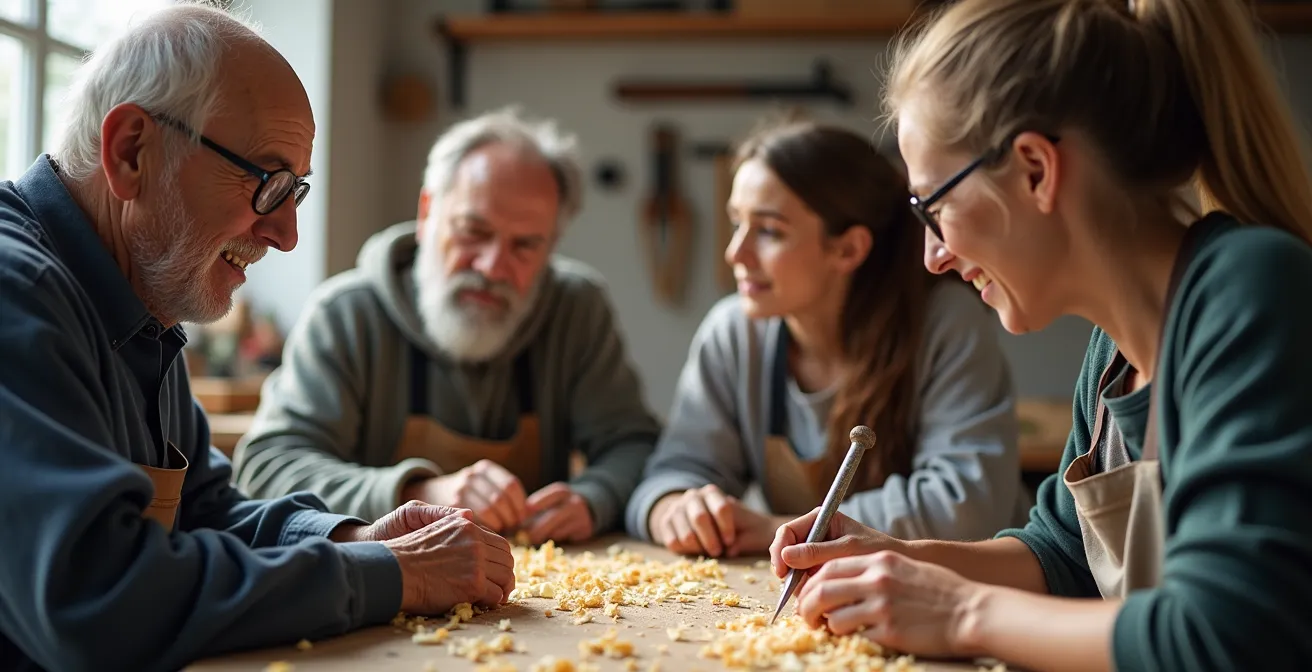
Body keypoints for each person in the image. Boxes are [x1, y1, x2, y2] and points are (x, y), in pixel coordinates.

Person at [769, 0, 1312, 669]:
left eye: (932, 208)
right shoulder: (1114, 353)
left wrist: (961, 611)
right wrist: (899, 560)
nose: (931, 256)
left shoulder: (1250, 290)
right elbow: (1062, 555)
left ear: (1034, 170)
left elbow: (1227, 633)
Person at [0, 6, 517, 671]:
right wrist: (398, 577)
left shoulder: (138, 300)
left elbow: (203, 512)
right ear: (131, 150)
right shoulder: (16, 293)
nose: (286, 234)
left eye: (295, 190)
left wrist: (355, 539)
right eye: (267, 182)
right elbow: (94, 598)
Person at [232, 107, 661, 544]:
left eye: (526, 245)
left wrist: (594, 498)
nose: (493, 267)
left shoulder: (577, 309)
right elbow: (269, 467)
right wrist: (414, 492)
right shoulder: (345, 315)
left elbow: (635, 446)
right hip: (385, 587)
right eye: (473, 231)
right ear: (427, 212)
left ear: (552, 245)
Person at [626, 120, 1027, 559]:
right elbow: (673, 472)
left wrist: (775, 530)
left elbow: (966, 506)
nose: (735, 253)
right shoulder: (734, 333)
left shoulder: (945, 323)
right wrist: (675, 508)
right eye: (737, 223)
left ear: (848, 249)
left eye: (769, 231)